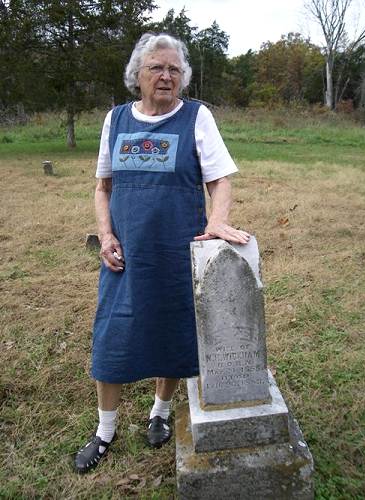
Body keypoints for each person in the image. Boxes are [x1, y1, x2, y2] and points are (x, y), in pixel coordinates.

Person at [74, 32, 250, 474]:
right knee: (112, 339)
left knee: (171, 334)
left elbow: (220, 179)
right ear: (138, 76)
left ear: (183, 77)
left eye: (175, 69)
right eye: (157, 67)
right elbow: (103, 187)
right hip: (125, 256)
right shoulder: (116, 120)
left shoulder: (196, 117)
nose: (167, 76)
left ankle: (160, 412)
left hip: (176, 252)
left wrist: (215, 221)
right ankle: (105, 431)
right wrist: (106, 234)